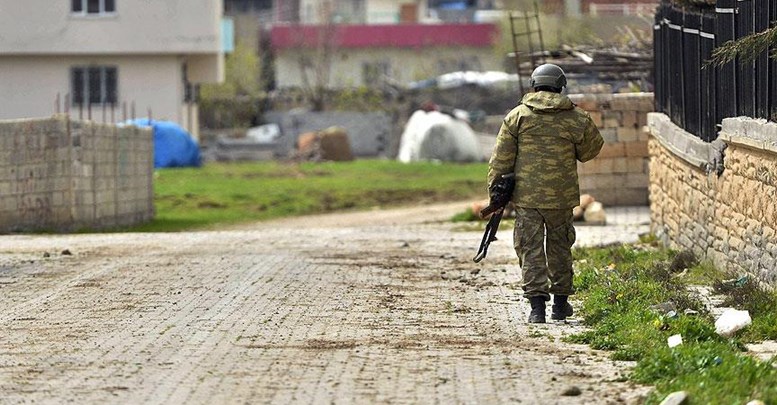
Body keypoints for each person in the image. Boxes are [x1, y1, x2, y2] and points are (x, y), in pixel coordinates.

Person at [487, 64, 603, 323]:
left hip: (527, 198)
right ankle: (560, 306)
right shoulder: (577, 118)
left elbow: (501, 160)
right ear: (561, 86)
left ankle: (537, 309)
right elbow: (590, 151)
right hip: (561, 198)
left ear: (534, 85)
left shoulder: (517, 117)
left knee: (530, 249)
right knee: (560, 247)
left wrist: (495, 195)